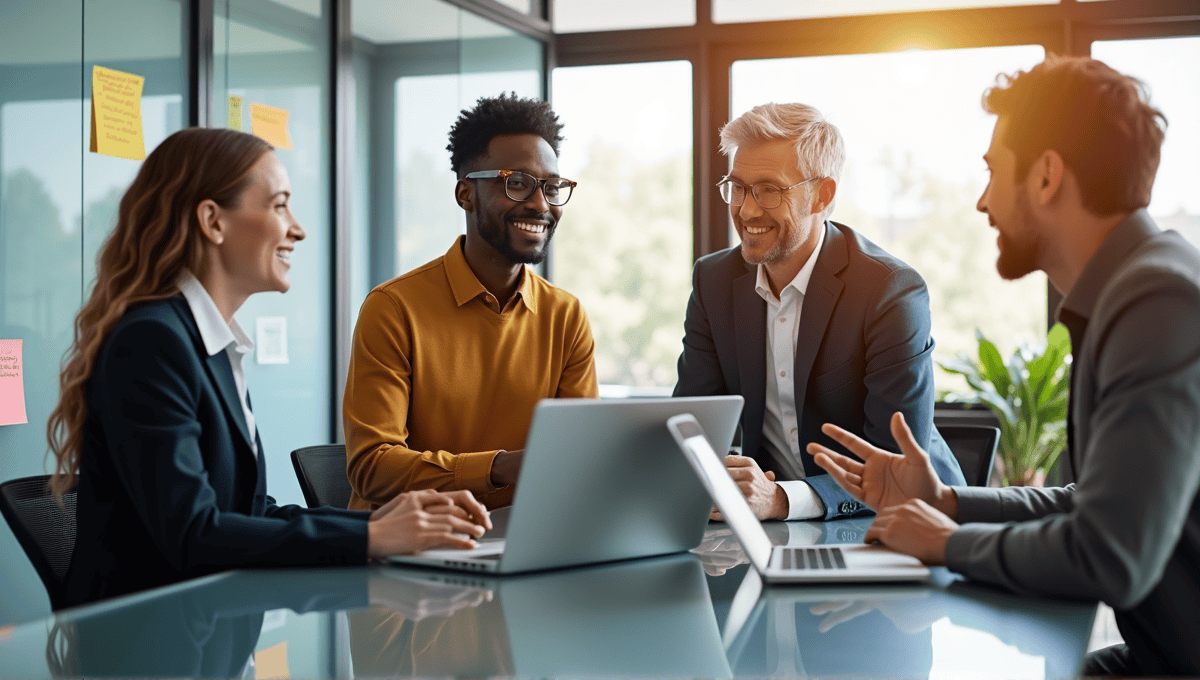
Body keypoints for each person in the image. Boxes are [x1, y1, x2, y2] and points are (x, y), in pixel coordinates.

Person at [810, 56, 1200, 676]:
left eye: (994, 172)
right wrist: (948, 501)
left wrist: (944, 542)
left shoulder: (1159, 302)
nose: (983, 201)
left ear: (1047, 176)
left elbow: (1110, 555)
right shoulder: (1139, 289)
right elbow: (1090, 505)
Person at [47, 128, 490, 608]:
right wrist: (371, 540)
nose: (297, 229)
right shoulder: (153, 342)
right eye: (279, 206)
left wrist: (380, 525)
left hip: (205, 629)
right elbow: (192, 533)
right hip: (148, 642)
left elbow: (248, 512)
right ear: (213, 221)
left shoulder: (208, 342)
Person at [674, 102, 965, 522]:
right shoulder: (713, 281)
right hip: (778, 534)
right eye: (737, 187)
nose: (747, 209)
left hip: (903, 521)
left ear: (822, 195)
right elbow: (692, 425)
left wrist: (780, 500)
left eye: (769, 190)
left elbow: (897, 467)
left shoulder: (889, 290)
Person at [343, 93, 598, 512]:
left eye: (552, 187)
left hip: (528, 541)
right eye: (517, 183)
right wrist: (499, 468)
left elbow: (579, 459)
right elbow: (373, 469)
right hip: (411, 550)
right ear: (465, 194)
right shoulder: (392, 308)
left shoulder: (565, 316)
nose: (539, 204)